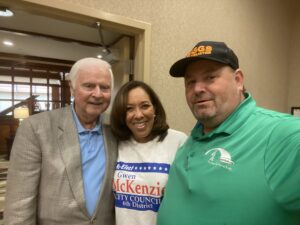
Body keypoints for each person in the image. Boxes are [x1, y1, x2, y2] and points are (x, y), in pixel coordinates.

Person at [157, 41, 300, 225]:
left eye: (210, 77)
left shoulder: (285, 135)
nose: (197, 89)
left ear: (238, 80)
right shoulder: (194, 136)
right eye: (190, 81)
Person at [4, 58, 117, 225]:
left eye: (105, 87)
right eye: (89, 86)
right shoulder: (35, 128)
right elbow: (19, 203)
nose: (98, 94)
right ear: (72, 88)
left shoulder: (116, 129)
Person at [110, 80, 187, 225]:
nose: (138, 115)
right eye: (129, 109)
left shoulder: (178, 141)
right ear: (121, 114)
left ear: (155, 109)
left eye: (145, 106)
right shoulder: (115, 143)